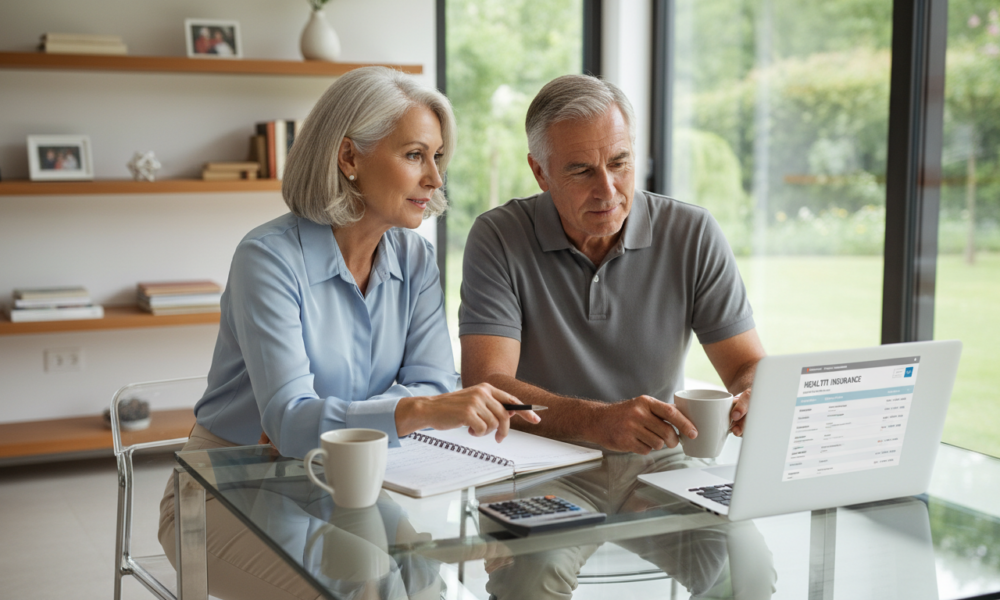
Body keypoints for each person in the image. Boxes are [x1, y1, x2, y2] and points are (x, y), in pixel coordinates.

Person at [158, 66, 539, 600]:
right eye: (414, 155)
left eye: (437, 158)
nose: (434, 179)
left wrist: (399, 408)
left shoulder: (417, 259)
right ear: (349, 158)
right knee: (362, 590)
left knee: (428, 590)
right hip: (223, 492)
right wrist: (416, 409)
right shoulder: (267, 259)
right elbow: (291, 422)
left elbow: (432, 384)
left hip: (346, 487)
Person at [459, 74, 775, 598]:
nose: (607, 189)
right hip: (540, 463)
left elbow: (746, 363)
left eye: (620, 162)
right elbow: (488, 384)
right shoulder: (498, 237)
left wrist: (752, 390)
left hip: (663, 462)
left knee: (747, 570)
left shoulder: (692, 233)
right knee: (533, 578)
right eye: (581, 170)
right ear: (540, 171)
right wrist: (599, 421)